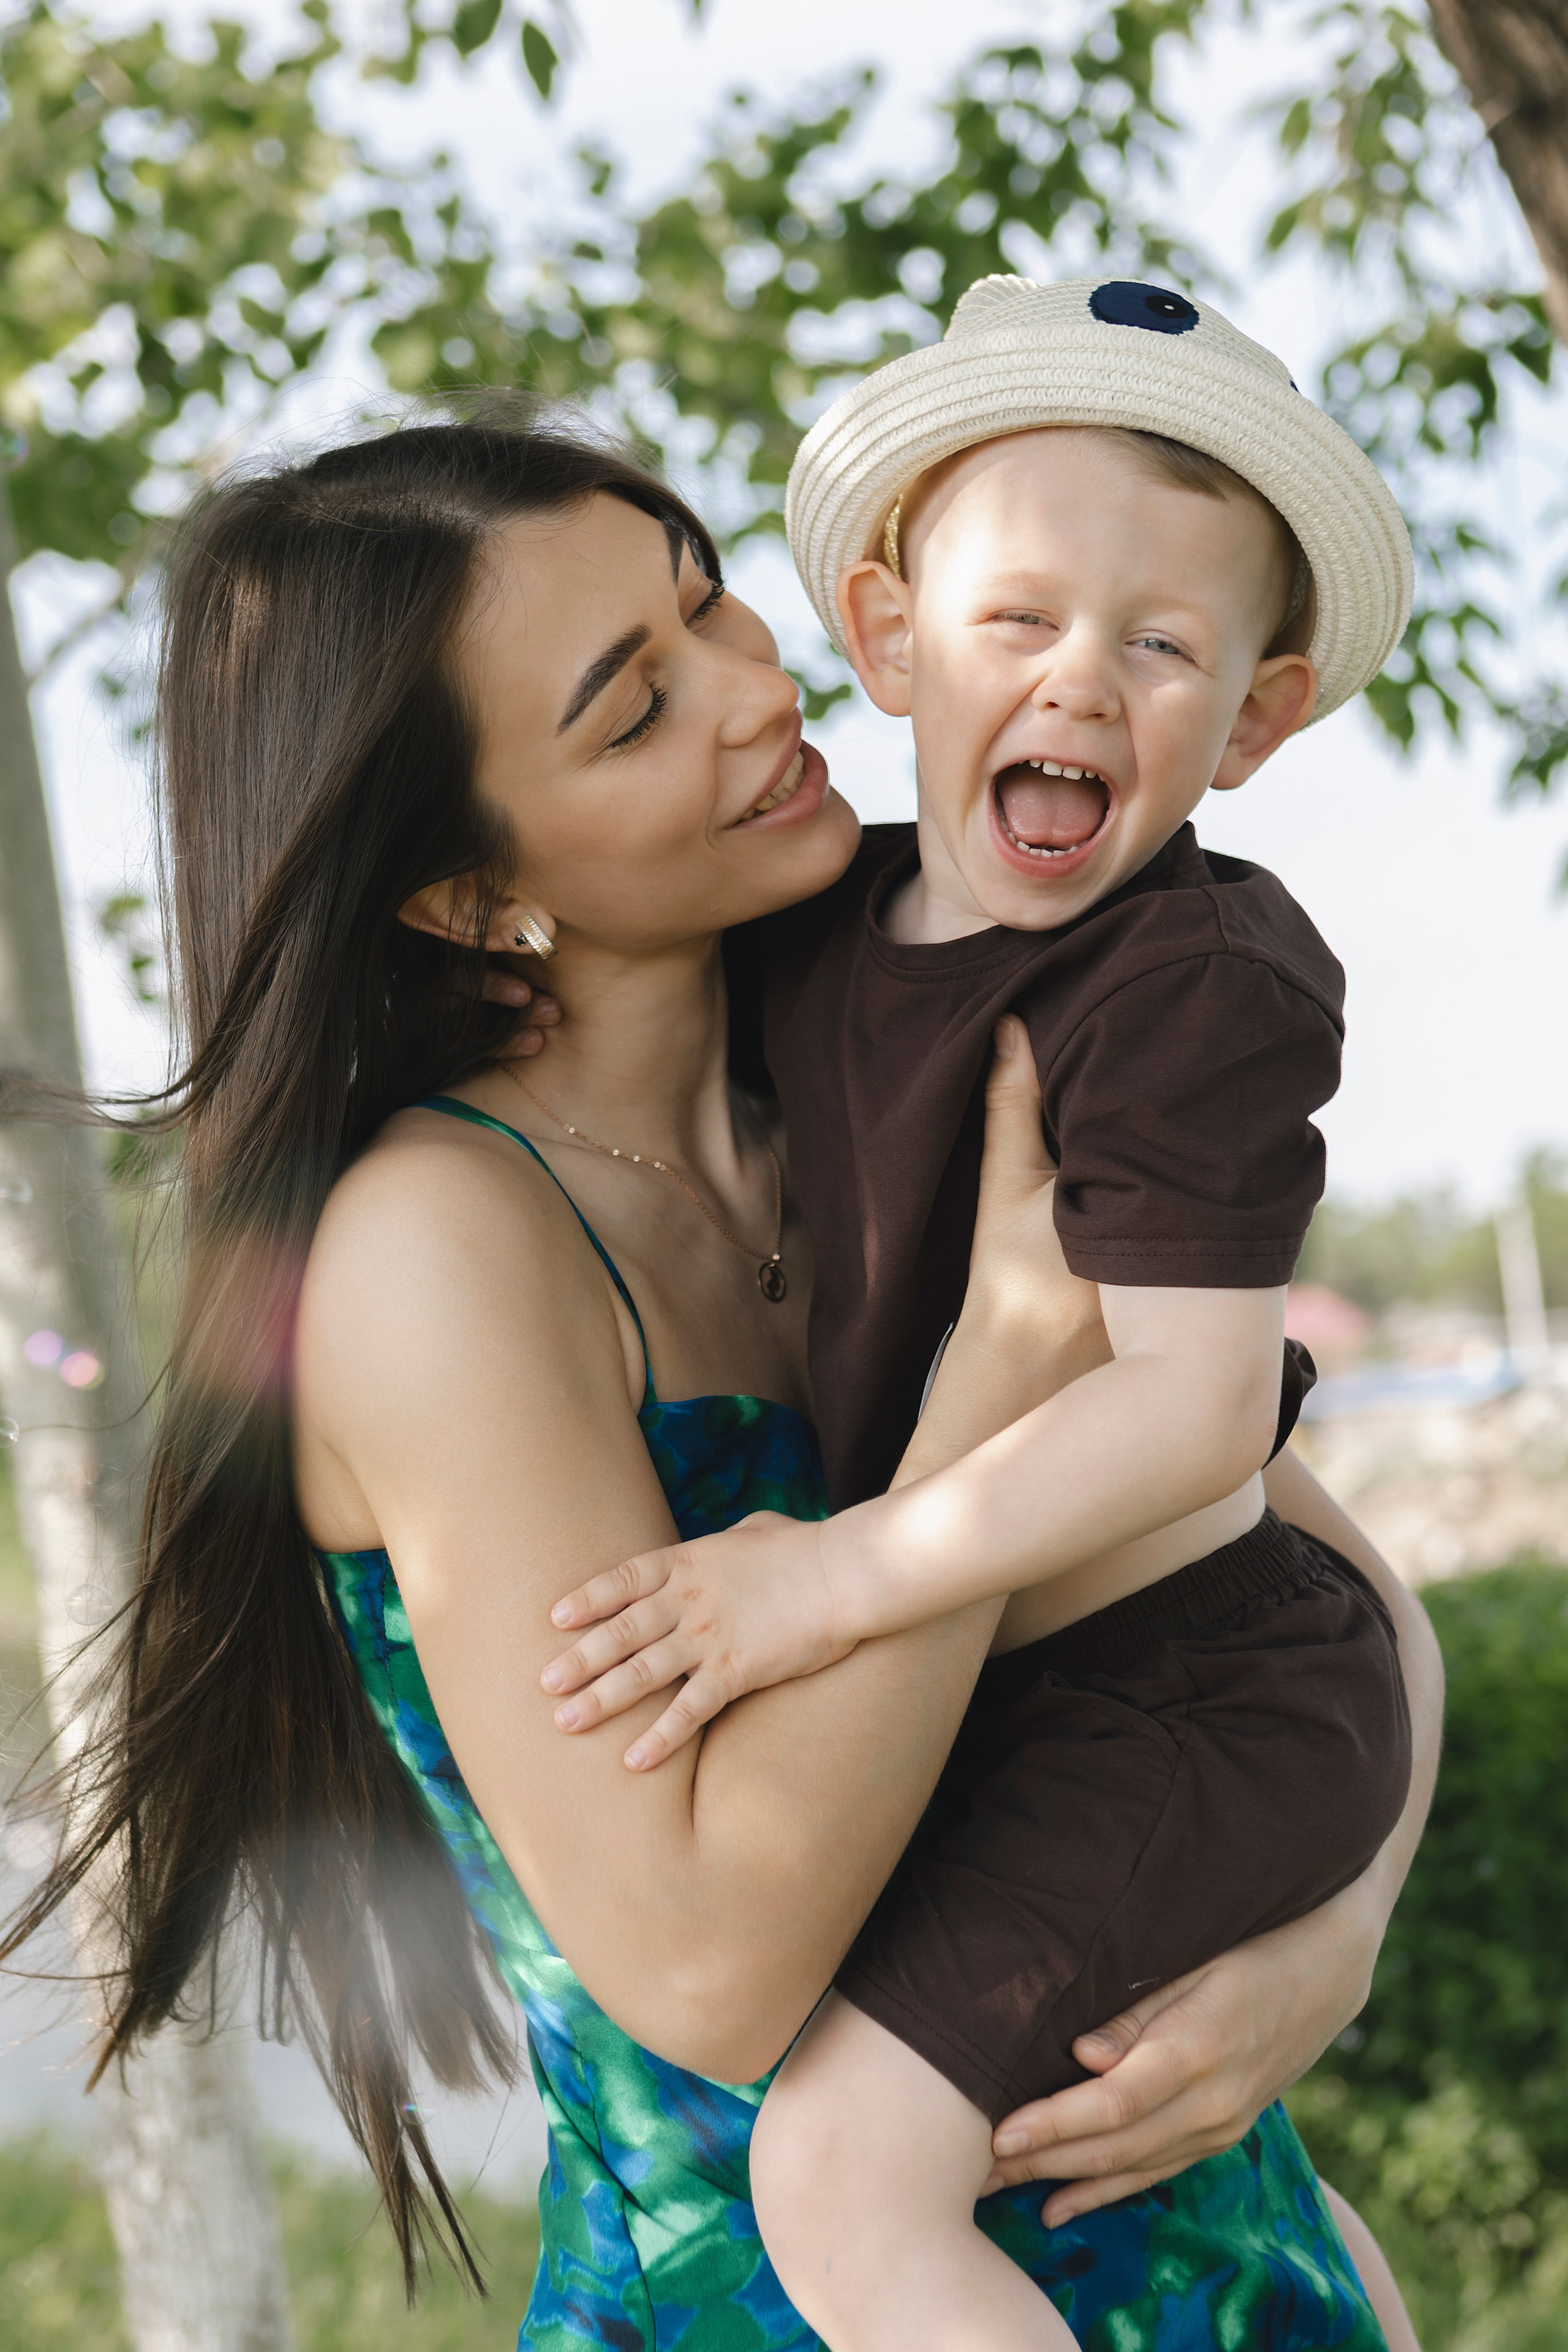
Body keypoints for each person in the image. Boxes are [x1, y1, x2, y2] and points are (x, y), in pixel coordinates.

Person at [2, 412, 1435, 2352]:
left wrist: (1329, 1948)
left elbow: (1309, 1573)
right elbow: (711, 1965)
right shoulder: (444, 1250)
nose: (763, 689)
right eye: (634, 707)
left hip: (1223, 2272)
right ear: (457, 887)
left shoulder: (882, 1071)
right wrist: (996, 1372)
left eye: (710, 601)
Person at [527, 279, 1423, 2350]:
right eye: (1021, 619)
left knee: (843, 2181)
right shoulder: (826, 933)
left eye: (1167, 644)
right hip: (1045, 1674)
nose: (1084, 684)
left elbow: (1206, 1418)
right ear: (891, 640)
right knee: (1173, 2185)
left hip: (1183, 1677)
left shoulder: (1199, 986)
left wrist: (832, 1586)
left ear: (1257, 723)